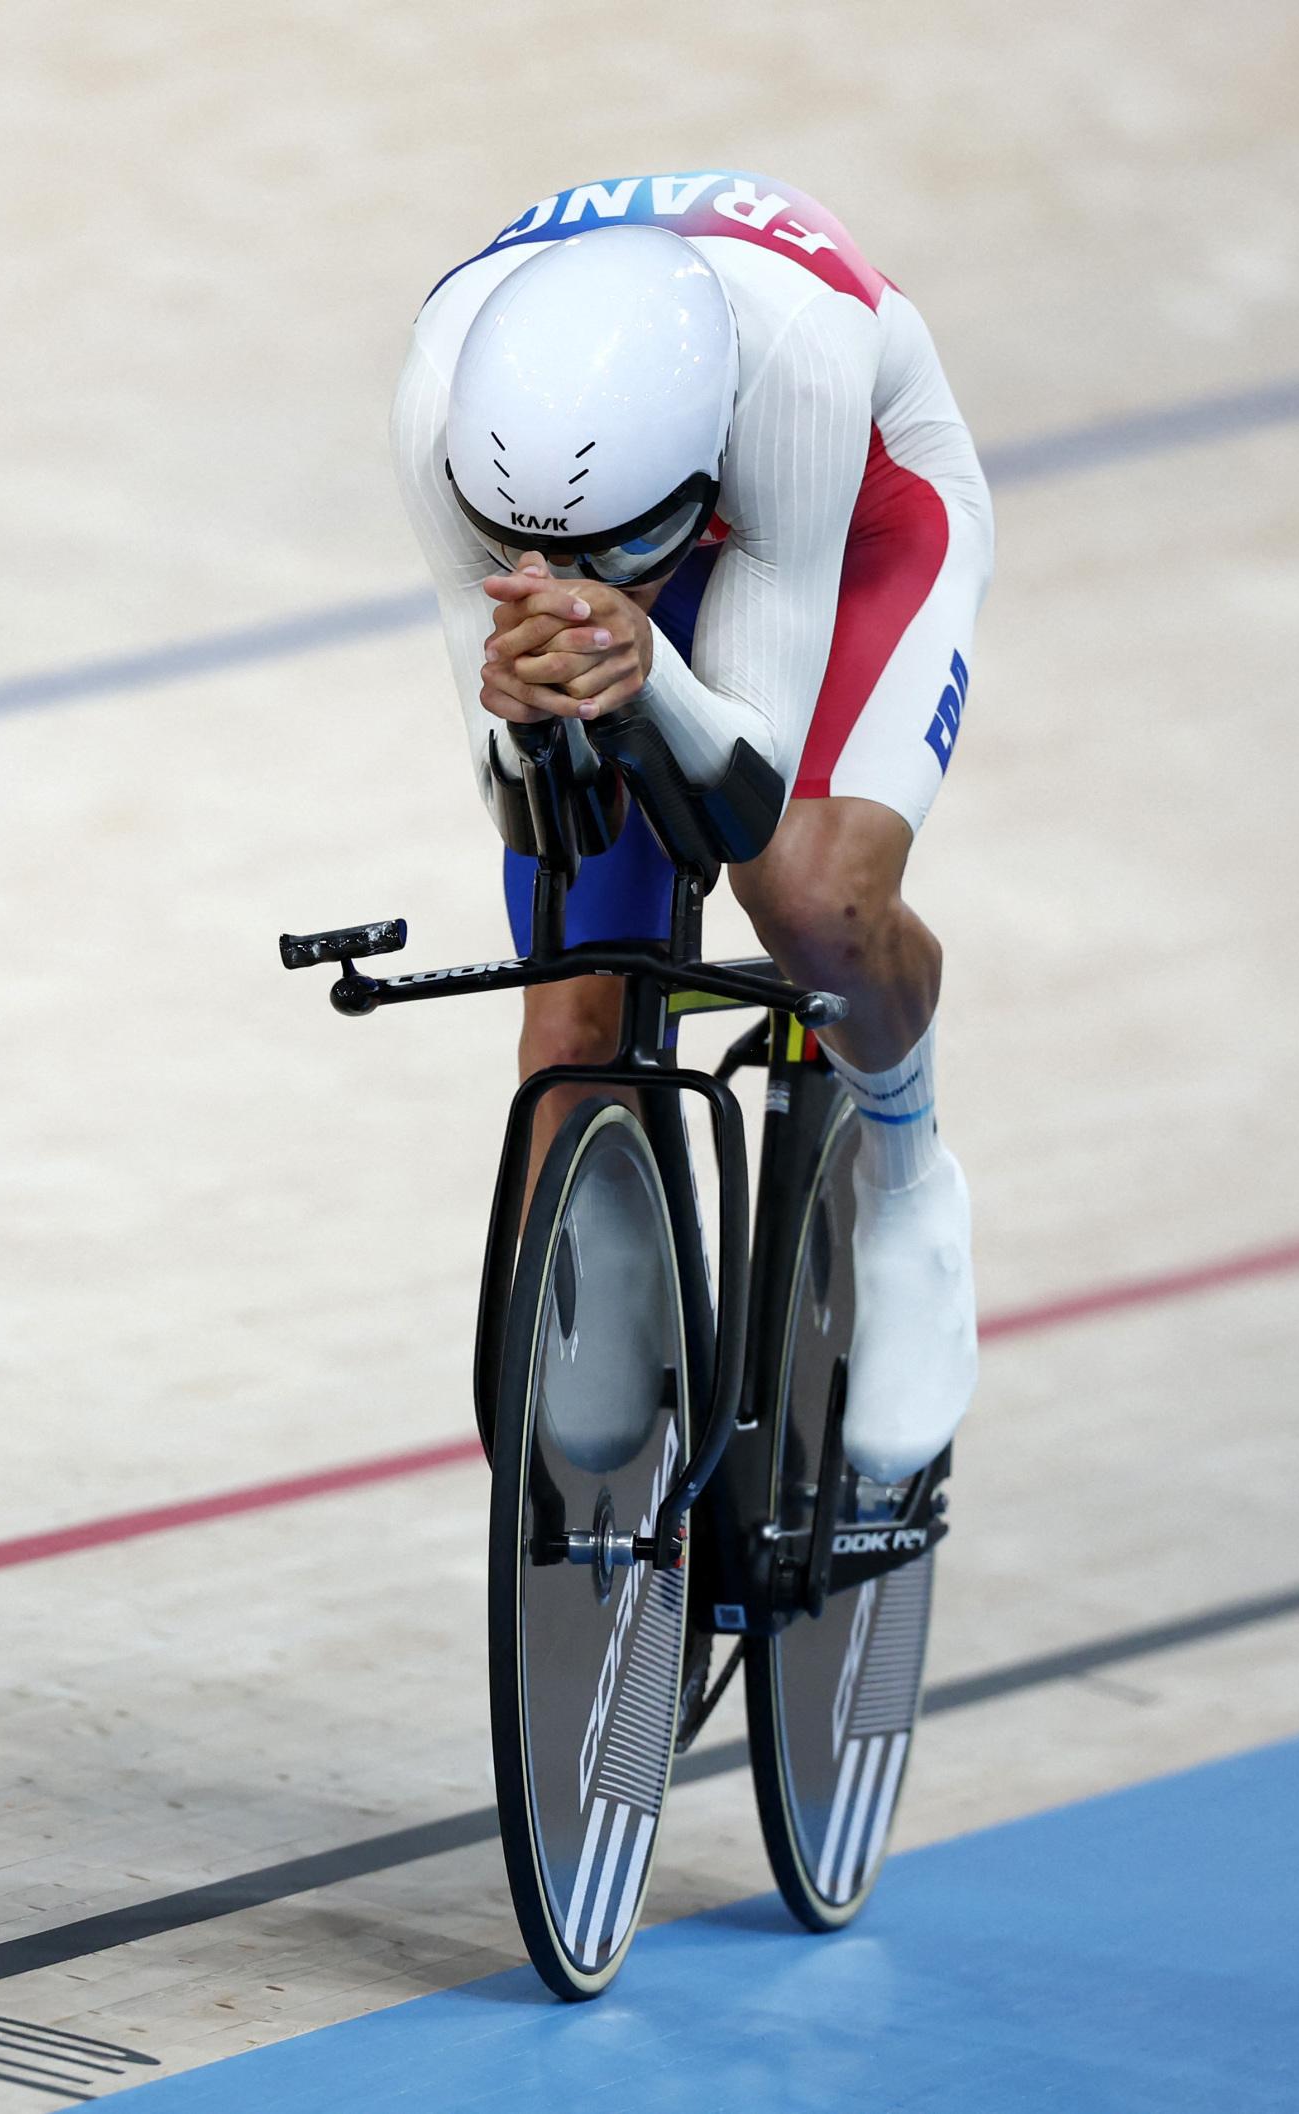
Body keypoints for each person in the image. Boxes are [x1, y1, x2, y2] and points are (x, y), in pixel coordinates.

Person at [390, 172, 991, 1484]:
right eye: (537, 560)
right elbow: (528, 802)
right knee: (570, 1008)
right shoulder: (440, 390)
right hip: (672, 519)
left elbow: (745, 796)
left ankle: (908, 1189)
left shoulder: (801, 366)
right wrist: (525, 715)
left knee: (814, 902)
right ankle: (604, 1261)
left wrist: (644, 663)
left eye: (624, 561)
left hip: (852, 517)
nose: (584, 592)